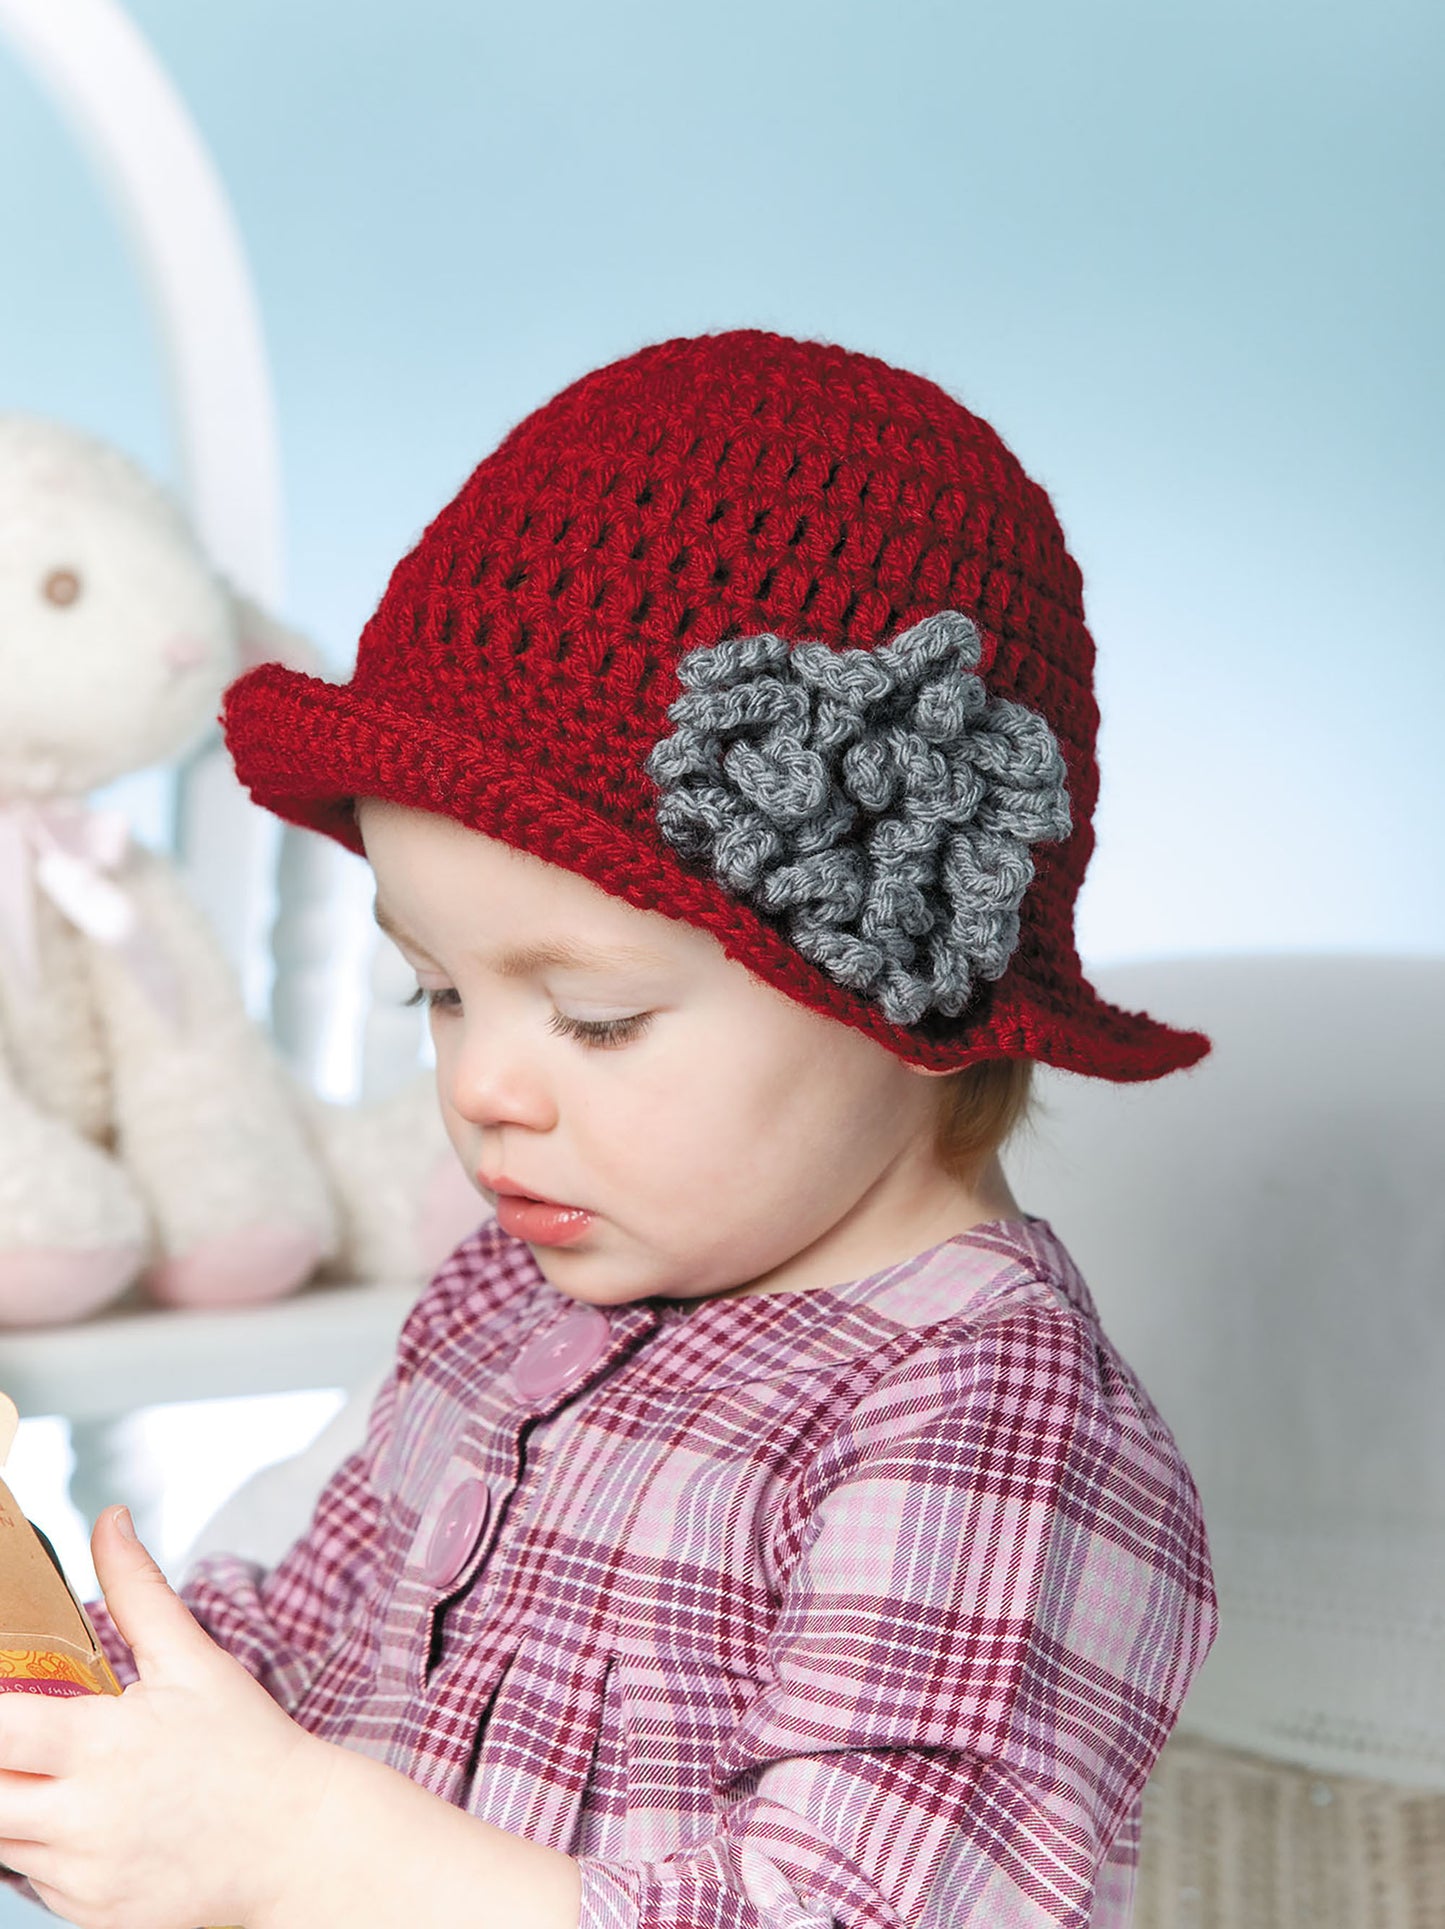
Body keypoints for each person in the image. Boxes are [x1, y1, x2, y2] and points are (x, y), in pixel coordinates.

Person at [0, 331, 1217, 1929]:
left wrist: (299, 1858)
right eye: (434, 994)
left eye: (593, 1017)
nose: (486, 1087)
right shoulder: (513, 1300)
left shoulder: (976, 1406)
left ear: (899, 997)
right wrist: (89, 1715)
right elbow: (302, 1663)